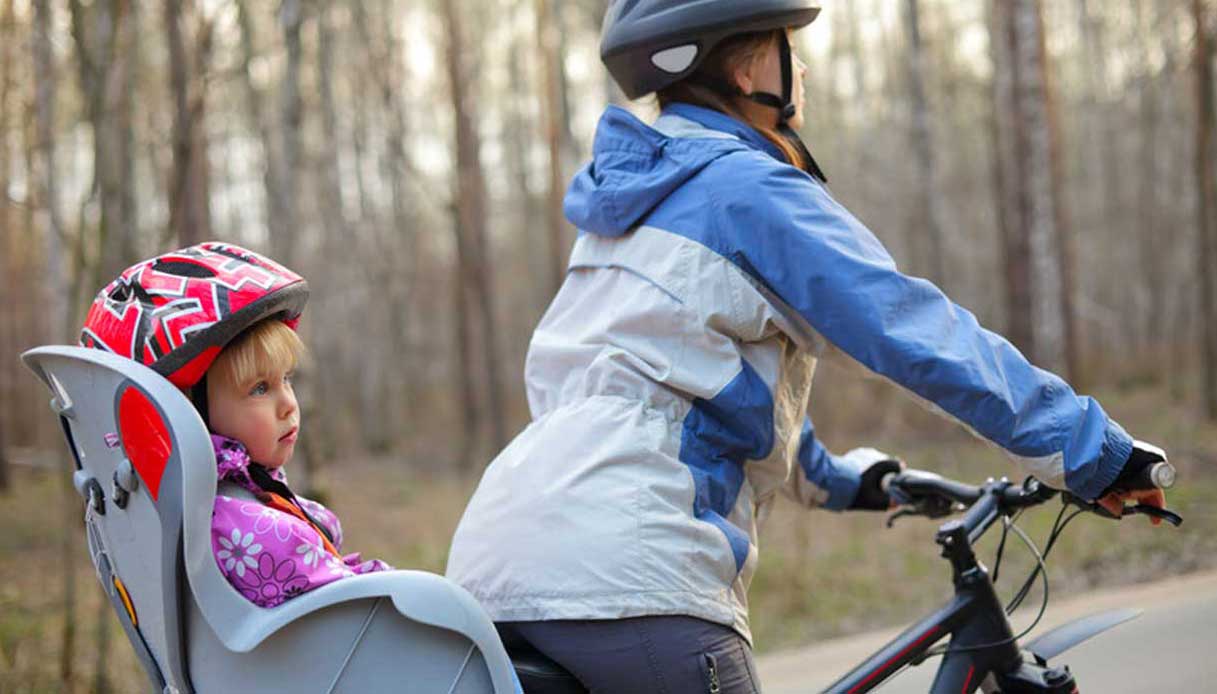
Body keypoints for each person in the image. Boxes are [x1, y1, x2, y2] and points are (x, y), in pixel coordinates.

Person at [444, 1, 1172, 691]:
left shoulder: (622, 209)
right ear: (748, 66)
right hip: (626, 575)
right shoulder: (746, 189)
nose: (804, 69)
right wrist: (1089, 450)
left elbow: (685, 398)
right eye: (789, 46)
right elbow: (910, 327)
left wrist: (858, 482)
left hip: (494, 572)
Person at [81, 242, 389, 608]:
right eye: (260, 388)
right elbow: (370, 615)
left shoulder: (212, 507)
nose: (289, 403)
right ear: (187, 409)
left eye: (286, 379)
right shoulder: (253, 535)